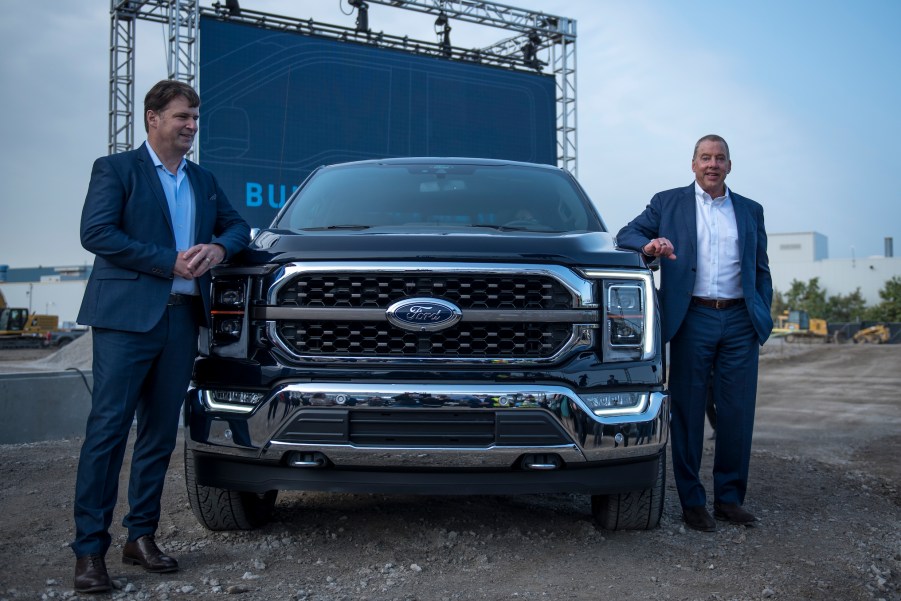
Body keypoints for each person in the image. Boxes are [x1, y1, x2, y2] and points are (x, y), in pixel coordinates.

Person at [71, 80, 250, 593]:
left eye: (195, 117)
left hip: (180, 320)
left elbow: (238, 229)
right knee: (107, 434)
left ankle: (140, 536)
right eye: (181, 117)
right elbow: (96, 233)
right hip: (126, 320)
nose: (191, 126)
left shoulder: (203, 180)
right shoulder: (117, 169)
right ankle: (89, 552)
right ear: (152, 118)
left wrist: (217, 250)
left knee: (156, 437)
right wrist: (165, 260)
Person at [616, 134, 773, 532]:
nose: (712, 164)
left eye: (719, 158)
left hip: (739, 321)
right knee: (687, 413)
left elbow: (761, 270)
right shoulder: (668, 203)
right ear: (693, 164)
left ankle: (730, 499)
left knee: (736, 413)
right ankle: (692, 502)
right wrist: (650, 246)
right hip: (692, 317)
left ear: (729, 165)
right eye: (705, 158)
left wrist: (761, 315)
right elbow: (626, 235)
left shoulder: (751, 211)